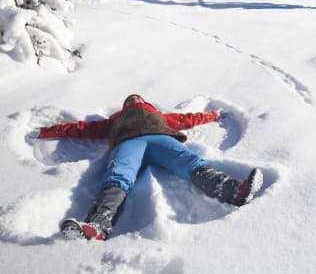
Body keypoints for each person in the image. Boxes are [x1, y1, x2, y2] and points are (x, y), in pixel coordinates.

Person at [38, 94, 263, 241]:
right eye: (131, 99)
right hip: (129, 143)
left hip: (160, 139)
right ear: (126, 106)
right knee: (118, 176)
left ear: (145, 103)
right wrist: (49, 130)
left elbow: (188, 119)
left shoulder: (160, 116)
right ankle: (97, 225)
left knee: (189, 161)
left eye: (137, 98)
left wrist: (213, 115)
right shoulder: (115, 120)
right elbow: (81, 128)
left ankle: (234, 190)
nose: (135, 100)